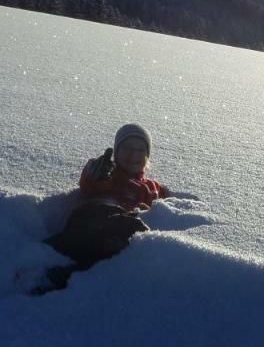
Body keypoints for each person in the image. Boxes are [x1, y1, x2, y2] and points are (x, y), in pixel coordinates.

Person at [37, 124, 170, 292]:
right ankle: (43, 252)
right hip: (92, 215)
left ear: (147, 155)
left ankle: (63, 276)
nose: (133, 154)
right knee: (88, 238)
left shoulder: (153, 187)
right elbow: (90, 180)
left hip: (120, 228)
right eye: (127, 148)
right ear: (116, 152)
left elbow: (167, 210)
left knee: (111, 248)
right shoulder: (109, 172)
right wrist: (96, 174)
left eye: (140, 150)